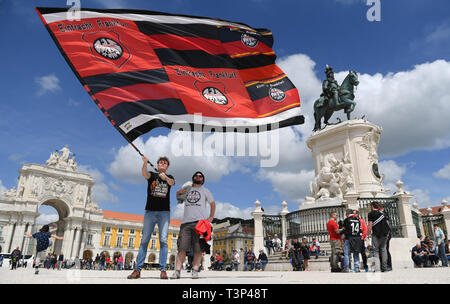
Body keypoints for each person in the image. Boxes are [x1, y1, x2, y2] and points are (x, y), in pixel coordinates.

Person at [128, 156, 175, 280]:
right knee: (144, 240)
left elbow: (172, 183)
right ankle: (137, 270)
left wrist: (165, 177)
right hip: (150, 211)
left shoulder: (170, 177)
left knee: (164, 240)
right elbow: (144, 174)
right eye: (160, 162)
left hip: (164, 212)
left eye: (165, 163)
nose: (162, 164)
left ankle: (163, 270)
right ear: (158, 165)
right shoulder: (152, 175)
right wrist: (144, 163)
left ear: (167, 166)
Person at [171, 171, 215, 279]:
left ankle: (195, 270)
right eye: (196, 176)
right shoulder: (188, 189)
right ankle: (177, 271)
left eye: (200, 176)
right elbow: (180, 200)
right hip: (186, 223)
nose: (198, 177)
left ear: (203, 180)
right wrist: (178, 194)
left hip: (200, 224)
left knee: (198, 249)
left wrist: (211, 217)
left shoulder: (205, 191)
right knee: (182, 247)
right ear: (193, 178)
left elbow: (212, 204)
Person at [367, 201, 390, 272]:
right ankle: (384, 267)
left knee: (376, 251)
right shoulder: (383, 213)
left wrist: (368, 233)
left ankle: (377, 268)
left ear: (372, 206)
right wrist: (388, 232)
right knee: (383, 249)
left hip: (376, 234)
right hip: (385, 234)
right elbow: (387, 223)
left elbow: (370, 224)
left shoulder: (371, 214)